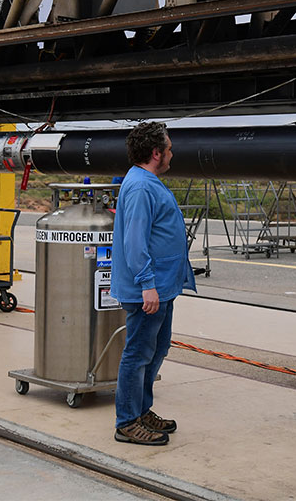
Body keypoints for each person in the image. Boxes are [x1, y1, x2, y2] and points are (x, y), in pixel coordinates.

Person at [110, 122, 196, 446]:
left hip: (161, 288)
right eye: (169, 148)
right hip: (149, 290)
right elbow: (135, 241)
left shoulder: (148, 181)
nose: (172, 153)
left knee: (155, 349)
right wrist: (147, 284)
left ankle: (141, 409)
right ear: (156, 153)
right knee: (138, 353)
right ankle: (127, 422)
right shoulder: (142, 187)